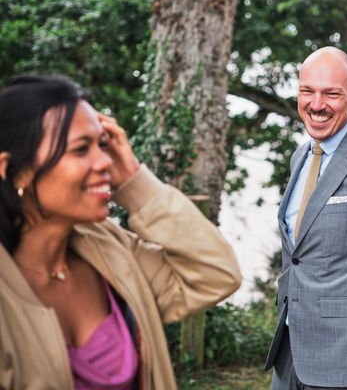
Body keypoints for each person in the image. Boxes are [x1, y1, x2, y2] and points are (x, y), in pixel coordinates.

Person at [0, 75, 242, 389]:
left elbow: (216, 273)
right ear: (14, 171)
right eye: (80, 149)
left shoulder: (109, 250)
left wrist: (133, 180)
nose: (104, 162)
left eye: (102, 144)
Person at [264, 47, 347, 390]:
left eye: (331, 93)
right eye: (307, 91)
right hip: (290, 347)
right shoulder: (301, 156)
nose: (316, 104)